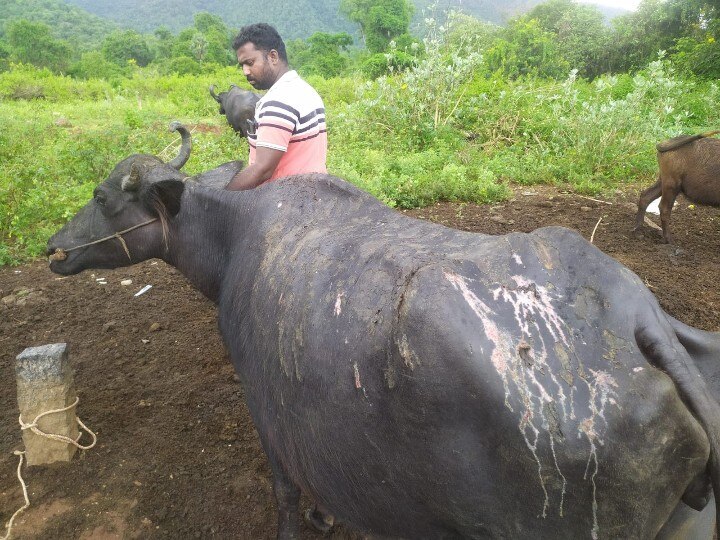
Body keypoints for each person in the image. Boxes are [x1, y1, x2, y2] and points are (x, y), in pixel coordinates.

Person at [225, 23, 328, 191]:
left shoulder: (277, 101)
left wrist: (217, 194)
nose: (245, 71)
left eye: (250, 62)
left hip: (285, 204)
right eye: (242, 65)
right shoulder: (306, 90)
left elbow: (262, 170)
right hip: (315, 193)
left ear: (273, 57)